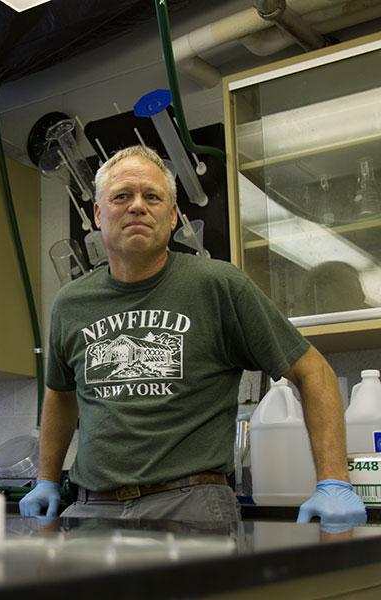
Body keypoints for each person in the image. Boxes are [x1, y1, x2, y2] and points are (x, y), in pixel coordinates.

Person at [20, 145, 366, 527]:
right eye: (122, 196)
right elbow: (61, 395)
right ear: (99, 214)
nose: (137, 206)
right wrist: (47, 479)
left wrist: (334, 480)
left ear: (171, 217)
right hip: (92, 508)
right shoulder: (70, 303)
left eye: (152, 196)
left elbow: (313, 371)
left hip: (190, 504)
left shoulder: (218, 285)